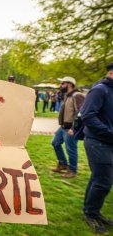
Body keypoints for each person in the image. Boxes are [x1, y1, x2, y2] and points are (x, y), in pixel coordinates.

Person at [81, 63, 113, 234]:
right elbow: (87, 116)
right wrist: (109, 133)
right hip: (97, 141)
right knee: (104, 181)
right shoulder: (100, 90)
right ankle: (91, 214)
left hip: (108, 142)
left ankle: (91, 211)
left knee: (98, 178)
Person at [51, 76, 85, 178]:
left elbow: (81, 113)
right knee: (55, 143)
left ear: (69, 84)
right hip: (63, 127)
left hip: (71, 128)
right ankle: (63, 164)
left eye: (62, 83)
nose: (60, 85)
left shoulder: (77, 95)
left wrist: (74, 128)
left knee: (71, 149)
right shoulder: (67, 95)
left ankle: (72, 170)